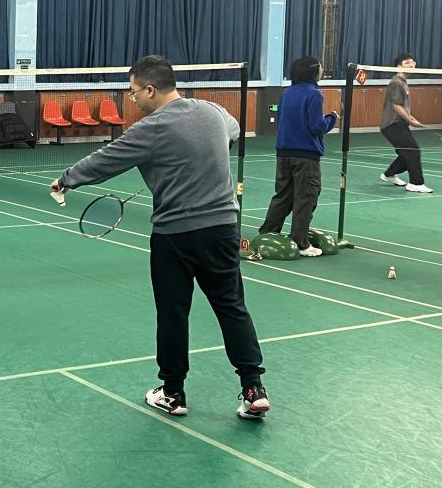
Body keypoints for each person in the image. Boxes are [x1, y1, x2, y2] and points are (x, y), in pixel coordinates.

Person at [51, 55, 269, 420]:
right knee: (232, 307)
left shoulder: (151, 128)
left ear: (151, 89)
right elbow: (232, 132)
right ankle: (253, 388)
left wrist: (66, 179)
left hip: (175, 236)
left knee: (173, 313)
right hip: (222, 230)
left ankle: (172, 393)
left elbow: (107, 159)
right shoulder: (213, 111)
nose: (133, 99)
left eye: (134, 92)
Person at [257, 57, 338, 257]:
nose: (322, 70)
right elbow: (316, 126)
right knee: (306, 197)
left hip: (284, 154)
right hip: (306, 156)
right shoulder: (314, 95)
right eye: (320, 67)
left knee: (283, 195)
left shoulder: (287, 93)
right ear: (313, 72)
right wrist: (332, 118)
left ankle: (268, 233)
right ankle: (300, 242)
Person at [379, 53, 432, 194]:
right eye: (407, 62)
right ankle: (416, 183)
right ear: (399, 66)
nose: (412, 64)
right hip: (392, 124)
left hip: (396, 124)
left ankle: (389, 174)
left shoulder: (403, 82)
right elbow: (396, 106)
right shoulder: (397, 83)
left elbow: (402, 106)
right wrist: (411, 121)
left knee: (405, 153)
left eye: (413, 62)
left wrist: (411, 118)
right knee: (413, 151)